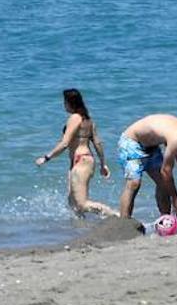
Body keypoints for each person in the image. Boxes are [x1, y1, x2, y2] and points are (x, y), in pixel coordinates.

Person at [35, 89, 118, 217]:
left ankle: (116, 215)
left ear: (70, 103)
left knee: (82, 204)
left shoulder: (74, 118)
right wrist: (102, 164)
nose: (64, 105)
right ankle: (80, 228)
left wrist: (46, 158)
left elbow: (64, 143)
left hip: (81, 161)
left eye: (65, 102)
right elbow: (97, 143)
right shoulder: (88, 120)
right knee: (72, 203)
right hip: (83, 161)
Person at [116, 114, 177, 219]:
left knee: (164, 184)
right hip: (131, 142)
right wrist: (175, 199)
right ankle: (124, 220)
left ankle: (166, 220)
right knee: (134, 183)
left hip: (151, 146)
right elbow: (166, 171)